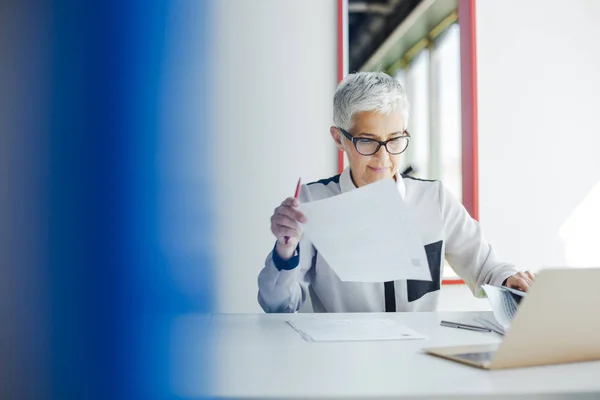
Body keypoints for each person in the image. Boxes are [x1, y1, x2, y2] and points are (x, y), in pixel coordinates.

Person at [257, 71, 535, 313]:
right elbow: (279, 305)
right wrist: (286, 250)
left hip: (417, 357)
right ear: (339, 138)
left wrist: (510, 281)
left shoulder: (434, 200)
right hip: (342, 360)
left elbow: (486, 268)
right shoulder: (312, 202)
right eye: (367, 141)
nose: (383, 158)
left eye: (394, 140)